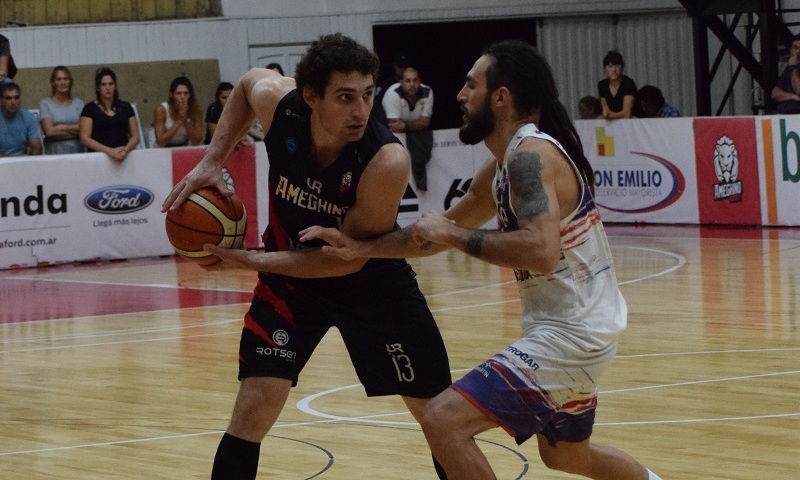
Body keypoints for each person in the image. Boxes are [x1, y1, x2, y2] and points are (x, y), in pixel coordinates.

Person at [300, 40, 663, 480]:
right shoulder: (503, 166)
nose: (460, 95)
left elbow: (540, 252)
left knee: (442, 420)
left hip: (571, 336)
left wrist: (452, 235)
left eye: (471, 85)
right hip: (580, 330)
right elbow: (429, 237)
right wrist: (361, 249)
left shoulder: (531, 156)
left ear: (501, 97)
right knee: (567, 457)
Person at [161, 33, 451, 480]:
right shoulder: (281, 103)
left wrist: (250, 262)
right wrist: (212, 159)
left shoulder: (385, 160)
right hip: (292, 283)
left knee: (438, 417)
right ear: (310, 96)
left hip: (370, 282)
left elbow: (347, 259)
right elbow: (243, 86)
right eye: (345, 97)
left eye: (368, 95)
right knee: (254, 404)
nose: (361, 110)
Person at [382, 66, 434, 191]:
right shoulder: (392, 94)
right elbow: (394, 126)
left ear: (420, 81)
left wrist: (405, 126)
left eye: (415, 80)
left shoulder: (427, 92)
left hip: (411, 131)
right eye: (408, 81)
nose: (412, 84)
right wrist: (415, 125)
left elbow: (425, 122)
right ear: (401, 82)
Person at [79, 67, 139, 162]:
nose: (108, 88)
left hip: (123, 157)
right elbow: (84, 138)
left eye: (111, 84)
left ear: (115, 86)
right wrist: (109, 151)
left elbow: (135, 135)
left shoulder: (126, 107)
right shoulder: (89, 109)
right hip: (98, 159)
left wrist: (126, 150)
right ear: (98, 88)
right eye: (103, 84)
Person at [38, 66, 85, 154]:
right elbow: (49, 132)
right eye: (59, 79)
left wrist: (60, 127)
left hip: (78, 154)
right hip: (54, 155)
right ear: (53, 82)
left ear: (70, 82)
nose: (63, 82)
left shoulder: (79, 104)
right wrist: (75, 131)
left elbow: (84, 130)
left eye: (65, 79)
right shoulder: (45, 104)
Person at [153, 76, 203, 147]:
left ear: (190, 95)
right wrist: (179, 121)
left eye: (186, 93)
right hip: (164, 149)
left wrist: (185, 121)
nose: (183, 97)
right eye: (178, 93)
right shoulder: (161, 110)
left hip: (184, 147)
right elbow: (161, 142)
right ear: (171, 95)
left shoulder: (196, 110)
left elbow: (197, 141)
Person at [204, 81, 252, 148]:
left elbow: (245, 131)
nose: (228, 101)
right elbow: (216, 135)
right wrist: (236, 139)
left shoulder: (240, 109)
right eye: (224, 97)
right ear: (218, 99)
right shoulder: (213, 110)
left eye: (231, 97)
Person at [0, 82, 42, 156]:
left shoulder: (29, 117)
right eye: (8, 98)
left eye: (16, 98)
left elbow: (36, 147)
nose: (13, 102)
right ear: (1, 100)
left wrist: (27, 161)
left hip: (22, 160)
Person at [597, 50, 637, 120]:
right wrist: (609, 115)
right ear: (605, 70)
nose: (613, 70)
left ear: (622, 68)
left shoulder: (628, 83)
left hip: (630, 122)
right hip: (611, 121)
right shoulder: (602, 85)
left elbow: (627, 114)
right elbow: (606, 110)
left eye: (617, 66)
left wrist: (612, 116)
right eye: (610, 66)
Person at [771, 33, 800, 114]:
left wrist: (793, 68)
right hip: (783, 114)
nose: (798, 52)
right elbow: (775, 94)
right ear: (791, 50)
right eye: (795, 48)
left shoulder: (792, 67)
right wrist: (793, 97)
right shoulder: (789, 69)